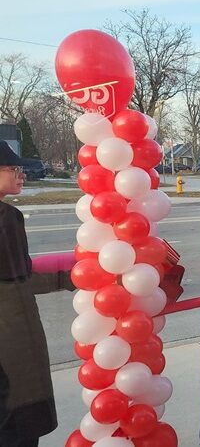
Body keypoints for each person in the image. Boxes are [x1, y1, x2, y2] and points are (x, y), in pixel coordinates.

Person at [0, 141, 74, 447]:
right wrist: (73, 278)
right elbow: (17, 281)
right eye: (14, 169)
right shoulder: (7, 218)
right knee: (17, 427)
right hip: (11, 340)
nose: (23, 175)